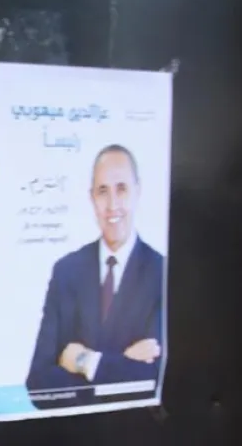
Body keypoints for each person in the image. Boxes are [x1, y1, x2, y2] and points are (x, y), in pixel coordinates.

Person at [25, 144, 165, 405]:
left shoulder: (162, 274)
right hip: (73, 437)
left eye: (121, 189)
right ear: (92, 198)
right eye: (103, 191)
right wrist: (123, 367)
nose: (112, 205)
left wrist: (84, 362)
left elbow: (154, 381)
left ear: (138, 191)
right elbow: (38, 384)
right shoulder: (66, 271)